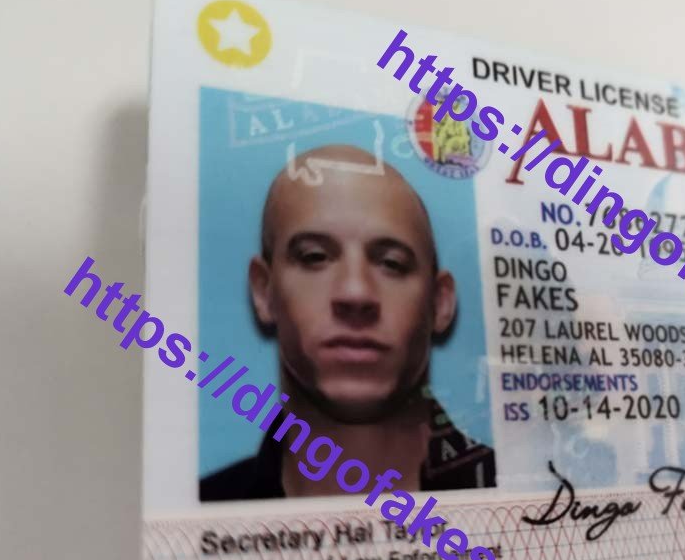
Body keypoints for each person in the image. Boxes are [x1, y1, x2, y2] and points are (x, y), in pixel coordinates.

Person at [200, 144, 495, 501]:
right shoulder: (206, 506)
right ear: (264, 292)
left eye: (392, 263)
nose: (356, 292)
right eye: (314, 257)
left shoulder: (526, 495)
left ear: (440, 302)